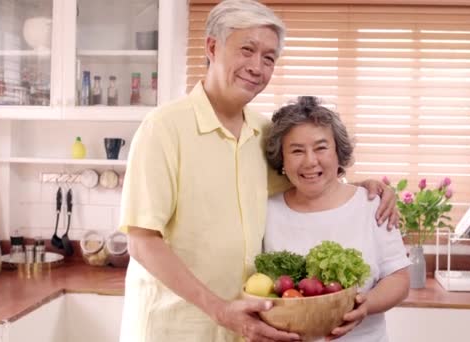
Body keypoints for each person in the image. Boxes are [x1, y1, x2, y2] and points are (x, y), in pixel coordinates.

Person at [118, 1, 398, 341]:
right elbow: (143, 241)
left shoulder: (264, 133)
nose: (257, 67)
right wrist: (221, 310)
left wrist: (361, 188)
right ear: (212, 46)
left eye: (268, 58)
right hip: (177, 328)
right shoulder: (163, 129)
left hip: (247, 330)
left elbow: (306, 180)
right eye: (246, 50)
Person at [264, 96, 410, 342]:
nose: (310, 161)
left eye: (321, 148)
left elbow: (398, 279)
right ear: (282, 160)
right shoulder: (268, 210)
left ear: (338, 153)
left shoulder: (372, 204)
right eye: (297, 150)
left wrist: (364, 305)